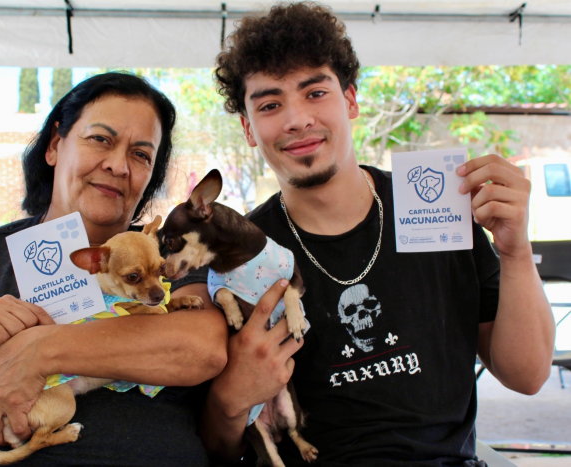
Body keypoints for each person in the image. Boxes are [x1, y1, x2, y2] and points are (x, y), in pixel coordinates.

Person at [198, 3, 556, 466]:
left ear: (350, 100)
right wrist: (231, 396)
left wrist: (516, 251)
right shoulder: (240, 253)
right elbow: (218, 445)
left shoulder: (437, 209)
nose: (296, 119)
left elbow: (527, 376)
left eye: (315, 93)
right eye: (270, 105)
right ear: (249, 128)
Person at [0, 72, 227, 466]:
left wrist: (38, 350)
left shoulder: (171, 258)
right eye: (101, 139)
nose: (118, 165)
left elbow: (202, 349)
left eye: (141, 155)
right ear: (55, 145)